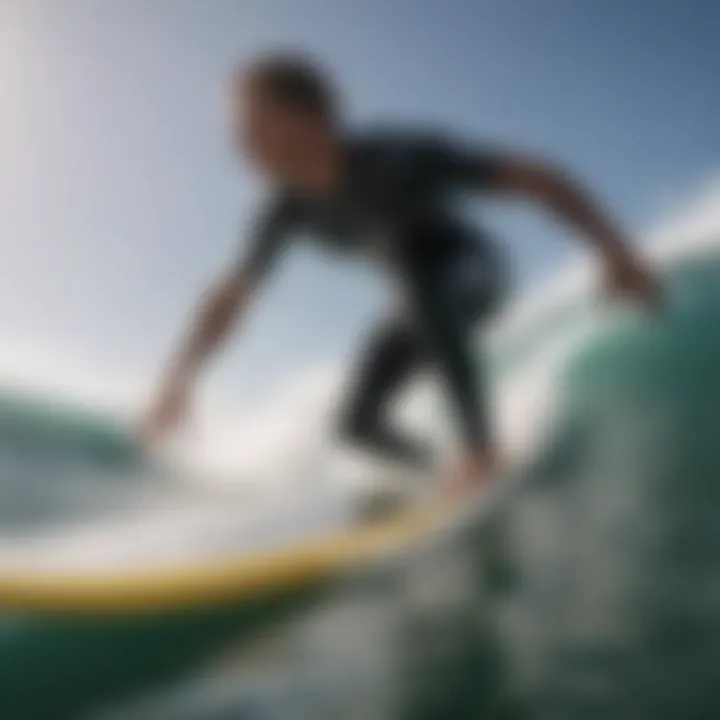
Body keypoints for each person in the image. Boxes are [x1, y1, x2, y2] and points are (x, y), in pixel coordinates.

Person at [142, 53, 660, 494]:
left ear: (311, 115)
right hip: (415, 304)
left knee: (417, 276)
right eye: (236, 126)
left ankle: (481, 452)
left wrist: (616, 254)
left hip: (474, 272)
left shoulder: (403, 158)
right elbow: (232, 295)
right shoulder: (283, 210)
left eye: (250, 121)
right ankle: (437, 475)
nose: (238, 139)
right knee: (354, 425)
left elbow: (540, 178)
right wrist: (181, 377)